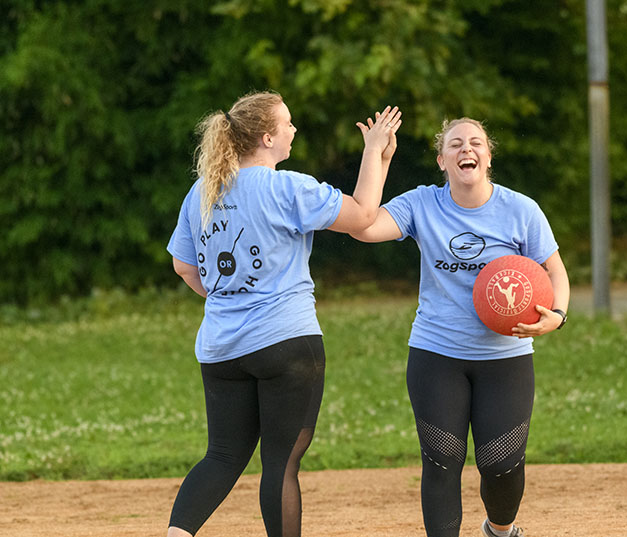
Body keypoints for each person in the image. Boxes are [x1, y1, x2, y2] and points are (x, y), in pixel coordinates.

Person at [165, 90, 401, 537]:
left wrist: (227, 299)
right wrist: (375, 153)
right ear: (268, 137)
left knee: (222, 456)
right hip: (285, 343)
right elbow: (363, 215)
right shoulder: (286, 186)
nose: (294, 129)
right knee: (280, 464)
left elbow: (183, 265)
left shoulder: (203, 190)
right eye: (287, 123)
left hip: (220, 349)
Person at [351, 118, 570, 537]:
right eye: (455, 144)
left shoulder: (521, 210)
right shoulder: (422, 204)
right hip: (436, 355)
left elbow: (555, 272)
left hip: (504, 357)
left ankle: (500, 530)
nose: (466, 149)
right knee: (441, 462)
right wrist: (376, 156)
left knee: (501, 465)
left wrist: (556, 316)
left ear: (488, 157)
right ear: (442, 160)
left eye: (475, 143)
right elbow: (364, 226)